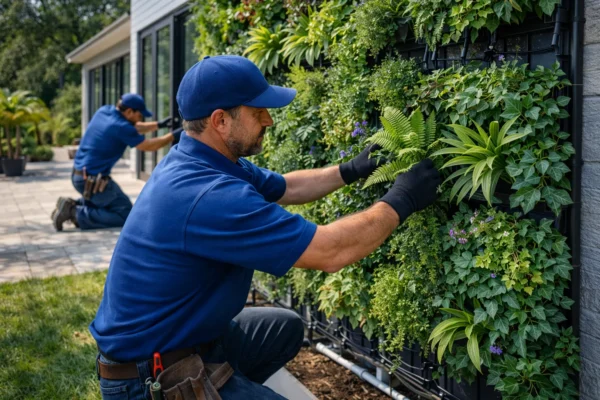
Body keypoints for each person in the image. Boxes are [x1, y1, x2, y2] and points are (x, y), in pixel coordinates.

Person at [91, 56, 440, 400]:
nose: (269, 120)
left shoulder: (205, 159)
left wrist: (352, 168)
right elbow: (331, 251)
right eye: (258, 112)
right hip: (148, 380)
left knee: (283, 328)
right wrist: (402, 199)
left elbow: (289, 187)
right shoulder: (208, 195)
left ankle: (224, 386)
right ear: (221, 120)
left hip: (186, 344)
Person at [51, 93, 183, 231]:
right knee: (124, 213)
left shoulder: (105, 111)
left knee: (110, 203)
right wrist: (173, 135)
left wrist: (159, 125)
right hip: (91, 181)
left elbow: (133, 127)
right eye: (139, 115)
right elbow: (148, 145)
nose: (141, 118)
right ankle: (74, 212)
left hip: (78, 175)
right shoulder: (121, 127)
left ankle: (69, 205)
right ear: (129, 111)